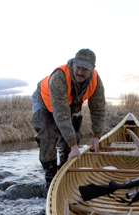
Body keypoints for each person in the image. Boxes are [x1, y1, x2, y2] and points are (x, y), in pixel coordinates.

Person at [31, 48, 106, 187]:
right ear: (73, 64)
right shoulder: (59, 77)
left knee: (71, 141)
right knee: (48, 136)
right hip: (44, 101)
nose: (80, 72)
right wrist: (74, 146)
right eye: (78, 67)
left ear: (92, 69)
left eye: (84, 69)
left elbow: (98, 109)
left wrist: (96, 136)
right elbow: (61, 114)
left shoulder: (96, 80)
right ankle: (50, 180)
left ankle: (65, 171)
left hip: (69, 105)